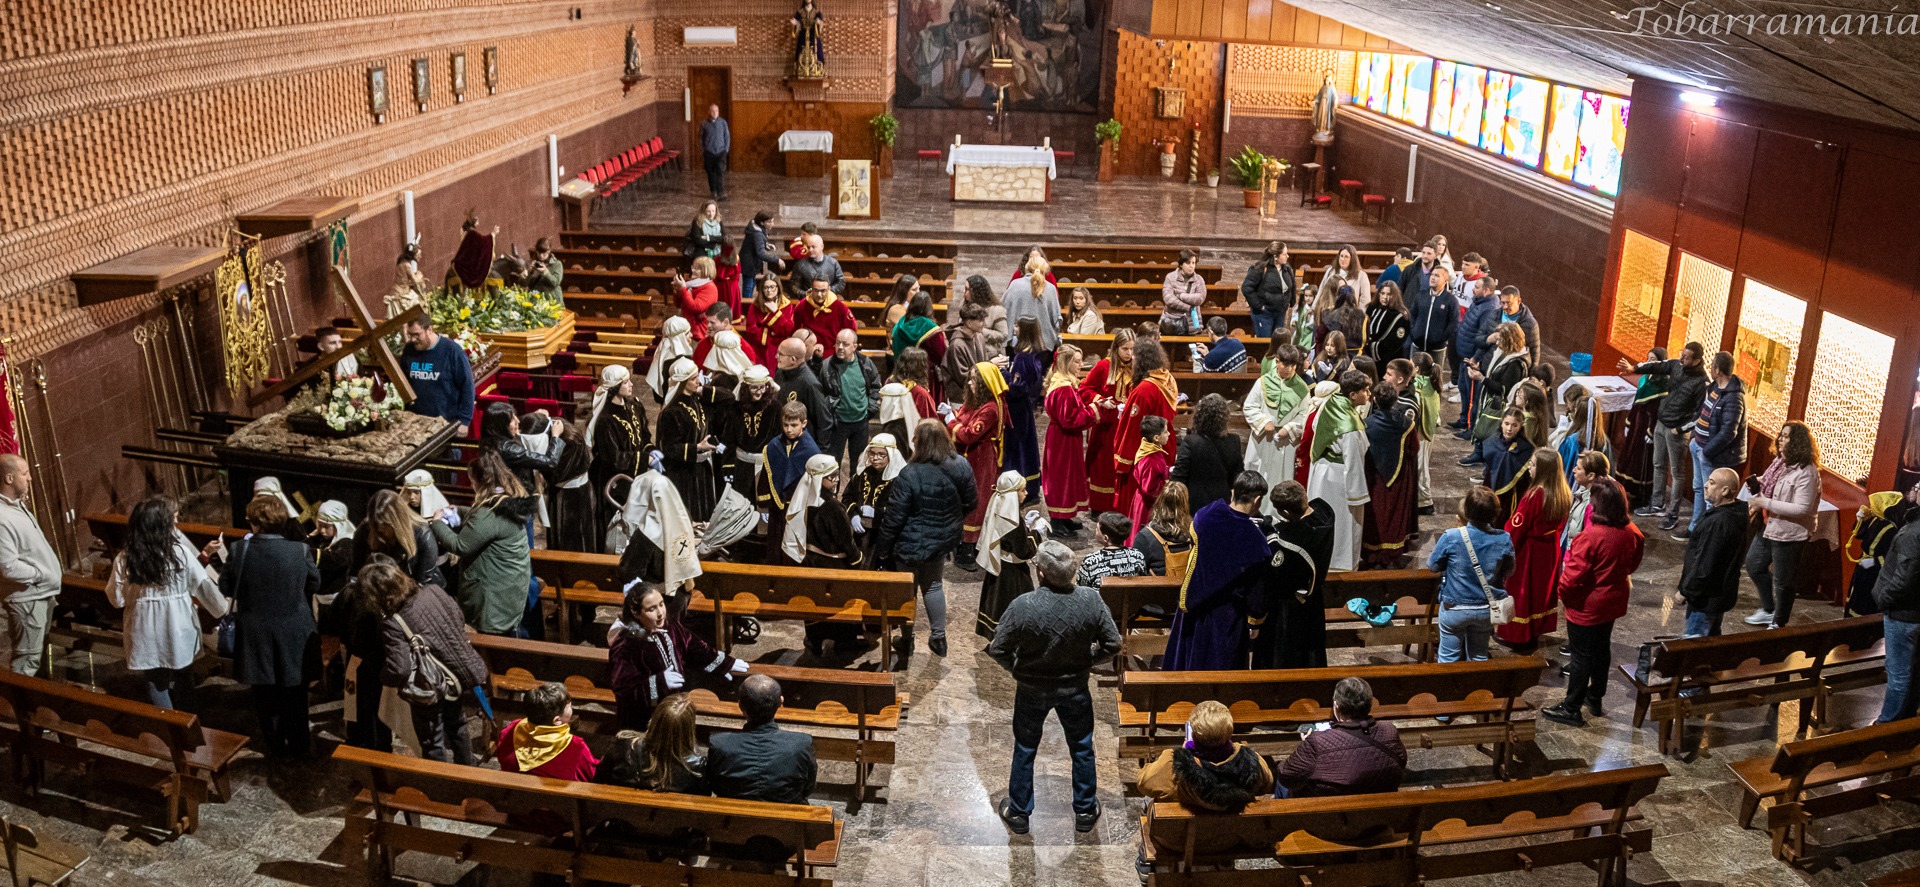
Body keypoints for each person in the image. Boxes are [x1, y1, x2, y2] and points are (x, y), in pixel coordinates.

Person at [988, 540, 1122, 834]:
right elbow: (1114, 644)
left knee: (1025, 748)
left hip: (1031, 690)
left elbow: (997, 648)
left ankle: (1020, 813)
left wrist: (1018, 669)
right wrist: (1089, 659)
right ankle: (1085, 811)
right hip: (1075, 689)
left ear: (1042, 574)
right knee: (1083, 748)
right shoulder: (1091, 600)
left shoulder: (1023, 605)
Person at [106, 497, 228, 710]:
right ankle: (189, 726)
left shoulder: (125, 558)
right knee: (184, 678)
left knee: (155, 681)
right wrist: (221, 608)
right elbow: (203, 586)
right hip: (177, 625)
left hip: (143, 628)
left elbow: (116, 599)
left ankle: (169, 728)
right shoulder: (180, 554)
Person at [360, 559, 486, 765]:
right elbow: (458, 618)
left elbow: (400, 668)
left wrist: (383, 677)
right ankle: (468, 770)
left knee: (432, 740)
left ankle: (440, 784)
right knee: (457, 725)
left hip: (430, 686)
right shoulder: (434, 590)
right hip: (457, 674)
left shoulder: (393, 622)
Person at [1542, 479, 1643, 726]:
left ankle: (1571, 707)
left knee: (1580, 656)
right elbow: (1633, 564)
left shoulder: (1590, 536)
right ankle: (1595, 697)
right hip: (1613, 601)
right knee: (1601, 649)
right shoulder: (1632, 531)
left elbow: (1573, 575)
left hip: (1587, 605)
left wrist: (1562, 594)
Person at [874, 420, 975, 658]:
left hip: (908, 544)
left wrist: (882, 550)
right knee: (934, 585)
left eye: (916, 437)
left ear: (923, 443)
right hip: (939, 542)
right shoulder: (961, 465)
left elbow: (894, 518)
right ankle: (938, 638)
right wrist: (950, 521)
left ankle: (906, 641)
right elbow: (971, 502)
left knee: (907, 593)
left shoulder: (909, 473)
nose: (912, 441)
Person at [1166, 471, 1271, 670]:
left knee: (1188, 663)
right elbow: (1256, 591)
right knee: (1220, 668)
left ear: (1234, 492)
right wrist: (1254, 622)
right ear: (1257, 500)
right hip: (1227, 616)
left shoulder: (1205, 514)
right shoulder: (1256, 541)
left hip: (1193, 608)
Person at [610, 582, 749, 729]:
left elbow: (693, 645)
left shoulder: (668, 625)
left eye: (661, 604)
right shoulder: (627, 645)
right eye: (652, 609)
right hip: (644, 719)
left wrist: (724, 663)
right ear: (636, 613)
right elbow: (623, 689)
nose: (660, 613)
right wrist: (659, 683)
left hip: (673, 708)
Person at [432, 452, 537, 636]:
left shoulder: (489, 513)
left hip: (494, 597)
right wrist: (462, 511)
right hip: (510, 585)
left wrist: (437, 523)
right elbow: (486, 522)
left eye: (472, 480)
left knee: (492, 646)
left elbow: (460, 546)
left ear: (481, 482)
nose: (471, 484)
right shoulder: (507, 496)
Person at [1248, 480, 1336, 669]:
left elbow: (1275, 567)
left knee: (1286, 656)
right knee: (1310, 653)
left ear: (1286, 513)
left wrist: (1268, 530)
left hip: (1289, 609)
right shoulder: (1324, 513)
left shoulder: (1293, 543)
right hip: (1313, 602)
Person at [1744, 421, 1823, 628]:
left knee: (1783, 581)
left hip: (1790, 532)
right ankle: (1769, 609)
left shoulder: (1807, 472)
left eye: (1786, 436)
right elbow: (1775, 483)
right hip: (1769, 524)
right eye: (1781, 435)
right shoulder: (1781, 461)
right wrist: (1759, 482)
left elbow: (1802, 508)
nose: (1780, 439)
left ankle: (1779, 622)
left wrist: (1764, 502)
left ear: (1797, 442)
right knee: (1754, 565)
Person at [1423, 487, 1514, 663]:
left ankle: (1448, 689)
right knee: (1479, 656)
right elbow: (1509, 571)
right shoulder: (1504, 539)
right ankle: (1477, 689)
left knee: (1448, 658)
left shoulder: (1451, 536)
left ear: (1467, 512)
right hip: (1485, 608)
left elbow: (1433, 566)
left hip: (1454, 607)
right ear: (1495, 514)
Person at [1274, 677, 1406, 798]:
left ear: (1336, 708)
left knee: (1282, 784)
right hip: (1378, 811)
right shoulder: (1390, 732)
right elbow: (1401, 762)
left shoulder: (1316, 742)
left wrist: (1305, 747)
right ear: (1370, 705)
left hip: (1329, 816)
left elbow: (1286, 774)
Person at [1137, 700, 1274, 816]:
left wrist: (1185, 752)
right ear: (1230, 733)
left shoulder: (1171, 765)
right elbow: (1266, 785)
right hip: (1232, 837)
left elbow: (1143, 783)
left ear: (1193, 735)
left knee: (1149, 798)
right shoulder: (1252, 762)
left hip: (1180, 843)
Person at [1623, 343, 1707, 529]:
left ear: (1697, 361)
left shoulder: (1701, 382)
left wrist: (1682, 429)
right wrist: (1634, 368)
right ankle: (1657, 504)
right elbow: (1658, 365)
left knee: (1677, 474)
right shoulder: (1676, 365)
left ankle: (1672, 514)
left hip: (1677, 429)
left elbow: (1700, 413)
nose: (1682, 358)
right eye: (1682, 354)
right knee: (1658, 465)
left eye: (1686, 357)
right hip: (1662, 422)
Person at [706, 674, 818, 804]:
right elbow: (808, 788)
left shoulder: (719, 743)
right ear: (781, 703)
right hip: (785, 819)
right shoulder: (801, 743)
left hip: (732, 819)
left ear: (740, 706)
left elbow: (715, 785)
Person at [1498, 448, 1570, 648]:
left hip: (1529, 552)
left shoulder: (1534, 495)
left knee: (1522, 591)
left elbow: (1516, 527)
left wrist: (1506, 547)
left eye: (1533, 464)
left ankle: (1519, 637)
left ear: (1543, 470)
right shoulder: (1563, 492)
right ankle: (1534, 631)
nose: (1529, 468)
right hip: (1550, 549)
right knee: (1541, 592)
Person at [1678, 351, 1747, 541]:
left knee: (1712, 497)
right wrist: (1694, 438)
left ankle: (1708, 536)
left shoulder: (1733, 398)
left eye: (1712, 366)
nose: (1710, 369)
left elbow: (1728, 432)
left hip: (1713, 455)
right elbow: (1703, 414)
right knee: (1699, 489)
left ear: (1717, 369)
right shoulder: (1715, 387)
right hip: (1698, 446)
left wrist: (1707, 452)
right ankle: (1695, 529)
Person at [0, 455, 59, 676]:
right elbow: (8, 567)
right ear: (9, 477)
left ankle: (35, 704)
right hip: (28, 601)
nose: (30, 478)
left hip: (39, 595)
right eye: (24, 474)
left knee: (35, 657)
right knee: (26, 664)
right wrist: (41, 574)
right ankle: (17, 709)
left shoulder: (15, 506)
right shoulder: (1, 517)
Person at [1307, 371, 1371, 572]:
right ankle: (1340, 566)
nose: (1369, 393)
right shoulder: (1349, 426)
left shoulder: (1331, 402)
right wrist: (1357, 495)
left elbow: (1317, 426)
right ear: (1352, 395)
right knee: (1343, 526)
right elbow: (1353, 461)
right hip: (1340, 480)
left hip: (1322, 473)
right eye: (1365, 390)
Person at [947, 361, 1009, 566]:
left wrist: (951, 420)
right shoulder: (975, 401)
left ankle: (967, 549)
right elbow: (962, 417)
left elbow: (968, 435)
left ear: (985, 383)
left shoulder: (990, 408)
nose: (970, 383)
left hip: (980, 459)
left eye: (975, 380)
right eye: (970, 379)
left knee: (976, 500)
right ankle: (958, 541)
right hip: (967, 457)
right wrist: (953, 413)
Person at [1113, 339, 1181, 517]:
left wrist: (1123, 459)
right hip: (1165, 445)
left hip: (1145, 454)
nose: (1132, 360)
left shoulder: (1144, 390)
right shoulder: (1168, 378)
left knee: (1140, 506)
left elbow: (1133, 428)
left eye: (1134, 356)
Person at [1242, 344, 1310, 520]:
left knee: (1280, 479)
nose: (1289, 369)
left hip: (1285, 444)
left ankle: (1277, 517)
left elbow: (1304, 415)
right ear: (1277, 361)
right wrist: (1264, 422)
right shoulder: (1263, 382)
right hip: (1263, 439)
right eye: (1285, 364)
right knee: (1257, 474)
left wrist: (1290, 428)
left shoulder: (1302, 388)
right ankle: (1252, 513)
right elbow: (1249, 407)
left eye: (1293, 365)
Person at [975, 471, 1045, 639]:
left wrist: (1025, 529)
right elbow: (1024, 550)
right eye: (1022, 490)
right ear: (1013, 493)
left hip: (1000, 566)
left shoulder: (998, 505)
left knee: (995, 604)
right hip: (1013, 574)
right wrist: (1036, 533)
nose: (1026, 493)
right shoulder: (1012, 519)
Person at [1677, 467, 1746, 638]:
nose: (1706, 485)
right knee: (1712, 642)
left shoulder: (1719, 522)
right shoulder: (1734, 514)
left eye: (1712, 483)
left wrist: (1685, 591)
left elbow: (1705, 564)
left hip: (1704, 600)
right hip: (1717, 596)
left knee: (1695, 647)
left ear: (1725, 490)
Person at [1871, 490, 1920, 723]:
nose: (1914, 490)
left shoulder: (1913, 533)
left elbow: (1905, 577)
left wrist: (1884, 598)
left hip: (1903, 613)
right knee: (1913, 673)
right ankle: (1906, 721)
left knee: (1899, 675)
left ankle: (1886, 725)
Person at [1042, 344, 1096, 535]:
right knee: (1060, 479)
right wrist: (1094, 411)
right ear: (1065, 363)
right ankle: (1057, 523)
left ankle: (1064, 517)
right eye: (1076, 361)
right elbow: (1070, 419)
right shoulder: (1063, 388)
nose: (1081, 364)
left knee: (1067, 477)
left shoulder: (1065, 382)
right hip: (1062, 440)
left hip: (1065, 439)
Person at [656, 359, 719, 521]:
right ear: (682, 382)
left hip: (702, 471)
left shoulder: (698, 400)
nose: (698, 381)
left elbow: (728, 398)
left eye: (697, 376)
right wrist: (697, 447)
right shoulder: (672, 411)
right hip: (683, 474)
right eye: (693, 379)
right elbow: (669, 448)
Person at [1081, 328, 1136, 514]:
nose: (1129, 353)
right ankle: (1099, 506)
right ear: (1115, 348)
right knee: (1102, 466)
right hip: (1106, 425)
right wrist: (1100, 400)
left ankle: (1120, 504)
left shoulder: (1137, 366)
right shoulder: (1103, 366)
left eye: (1132, 349)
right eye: (1125, 349)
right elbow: (1084, 389)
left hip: (1126, 425)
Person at [498, 682, 600, 780]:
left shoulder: (513, 728)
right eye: (569, 706)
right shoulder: (576, 747)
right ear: (557, 720)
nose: (571, 707)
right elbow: (591, 775)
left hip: (513, 792)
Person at [1461, 322, 1530, 456]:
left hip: (1498, 406)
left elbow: (1504, 389)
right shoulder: (1503, 354)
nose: (1497, 344)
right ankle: (1478, 452)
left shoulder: (1516, 363)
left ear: (1510, 340)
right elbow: (1495, 375)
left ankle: (1483, 456)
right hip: (1489, 399)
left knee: (1489, 430)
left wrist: (1482, 378)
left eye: (1500, 340)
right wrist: (1479, 370)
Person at [401, 316, 475, 436]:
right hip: (414, 424)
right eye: (410, 335)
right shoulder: (409, 350)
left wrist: (465, 421)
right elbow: (403, 382)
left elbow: (467, 386)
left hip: (445, 424)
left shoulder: (452, 351)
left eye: (417, 334)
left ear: (429, 330)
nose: (413, 339)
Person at [1170, 393, 1243, 512]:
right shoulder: (1234, 441)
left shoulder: (1191, 441)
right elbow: (1238, 475)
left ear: (1199, 415)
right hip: (1223, 502)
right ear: (1224, 417)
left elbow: (1179, 476)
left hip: (1194, 505)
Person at [843, 433, 902, 561]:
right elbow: (847, 496)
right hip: (860, 533)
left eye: (881, 454)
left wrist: (878, 512)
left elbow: (900, 509)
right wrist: (853, 515)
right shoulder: (862, 474)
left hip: (883, 536)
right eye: (872, 453)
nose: (875, 458)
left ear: (890, 455)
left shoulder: (899, 480)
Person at [1004, 318, 1048, 491]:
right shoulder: (1034, 354)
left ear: (1024, 330)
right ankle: (1029, 485)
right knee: (1026, 444)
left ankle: (1019, 487)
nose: (1015, 329)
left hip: (1017, 408)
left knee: (1018, 446)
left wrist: (1003, 374)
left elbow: (1016, 387)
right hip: (1026, 406)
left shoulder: (1023, 357)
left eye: (1017, 326)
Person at [1452, 274, 1500, 430]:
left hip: (1473, 359)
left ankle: (1470, 428)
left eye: (1477, 287)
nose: (1473, 289)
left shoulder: (1489, 309)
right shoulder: (1478, 301)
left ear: (1486, 291)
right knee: (1463, 389)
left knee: (1472, 395)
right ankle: (1463, 419)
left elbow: (1484, 336)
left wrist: (1476, 358)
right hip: (1465, 356)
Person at [773, 336, 835, 440]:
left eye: (781, 354)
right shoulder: (780, 373)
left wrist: (818, 452)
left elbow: (824, 422)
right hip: (782, 439)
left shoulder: (810, 383)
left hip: (801, 443)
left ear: (793, 359)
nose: (776, 357)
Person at [1480, 407, 1536, 522]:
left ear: (1521, 426)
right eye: (1507, 424)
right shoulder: (1492, 441)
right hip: (1490, 486)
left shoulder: (1526, 448)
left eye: (1514, 425)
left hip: (1513, 494)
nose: (1509, 429)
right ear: (1502, 423)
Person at [1127, 416, 1174, 542]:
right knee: (1146, 539)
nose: (1169, 434)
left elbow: (1157, 472)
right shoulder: (1150, 459)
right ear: (1156, 438)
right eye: (1165, 432)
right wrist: (1169, 487)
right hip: (1148, 508)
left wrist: (1168, 470)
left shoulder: (1150, 448)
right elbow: (1150, 490)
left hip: (1143, 501)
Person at [1133, 482, 1195, 576]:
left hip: (1158, 590)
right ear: (1185, 505)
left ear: (1159, 501)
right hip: (1188, 589)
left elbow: (1136, 573)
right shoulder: (1194, 533)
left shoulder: (1145, 537)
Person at [1075, 513, 1149, 588]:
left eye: (1097, 529)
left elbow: (1081, 588)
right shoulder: (1137, 556)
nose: (1095, 531)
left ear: (1105, 538)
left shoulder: (1091, 561)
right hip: (1130, 598)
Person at [1241, 242, 1296, 340]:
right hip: (1264, 314)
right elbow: (1247, 288)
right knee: (1265, 343)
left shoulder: (1286, 268)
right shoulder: (1259, 268)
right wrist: (1258, 305)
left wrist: (1291, 301)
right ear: (1275, 256)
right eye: (1284, 254)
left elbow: (1292, 284)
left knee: (1277, 342)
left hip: (1280, 312)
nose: (1287, 256)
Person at [1001, 265, 1062, 351]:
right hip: (1044, 344)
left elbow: (1003, 308)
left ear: (1026, 270)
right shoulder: (1050, 288)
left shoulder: (1015, 284)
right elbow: (1056, 319)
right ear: (1044, 272)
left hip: (1017, 343)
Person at [744, 276, 796, 374]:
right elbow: (751, 330)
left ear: (778, 288)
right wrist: (767, 337)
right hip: (760, 349)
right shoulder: (755, 306)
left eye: (772, 287)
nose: (769, 290)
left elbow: (788, 329)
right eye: (766, 287)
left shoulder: (786, 305)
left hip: (779, 348)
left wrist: (775, 312)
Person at [1406, 265, 1456, 365]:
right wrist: (1414, 333)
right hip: (1417, 346)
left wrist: (1441, 338)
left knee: (1434, 378)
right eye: (1432, 274)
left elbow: (1453, 322)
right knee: (1414, 377)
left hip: (1437, 349)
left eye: (1437, 275)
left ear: (1445, 281)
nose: (1432, 277)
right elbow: (1412, 316)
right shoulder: (1420, 295)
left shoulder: (1450, 300)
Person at [943, 302, 992, 400]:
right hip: (960, 399)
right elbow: (963, 379)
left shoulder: (979, 337)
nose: (984, 324)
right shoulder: (956, 345)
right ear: (969, 323)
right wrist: (991, 364)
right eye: (981, 320)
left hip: (978, 396)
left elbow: (984, 363)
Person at [1314, 245, 1370, 319]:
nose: (1343, 259)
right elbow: (1321, 290)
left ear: (1352, 259)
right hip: (1329, 313)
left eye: (1346, 257)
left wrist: (1358, 316)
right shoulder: (1331, 271)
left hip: (1350, 316)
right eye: (1341, 256)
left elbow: (1365, 299)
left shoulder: (1361, 275)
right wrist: (1314, 308)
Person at [1159, 249, 1208, 334]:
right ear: (1181, 264)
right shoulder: (1170, 277)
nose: (1191, 266)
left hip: (1192, 325)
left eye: (1193, 263)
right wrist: (1188, 307)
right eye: (1188, 263)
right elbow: (1169, 299)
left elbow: (1200, 298)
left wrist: (1181, 296)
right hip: (1172, 324)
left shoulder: (1199, 279)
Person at [673, 256, 722, 339]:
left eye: (697, 269)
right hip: (687, 330)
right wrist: (677, 290)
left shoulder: (709, 287)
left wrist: (684, 289)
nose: (692, 270)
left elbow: (695, 307)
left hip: (699, 334)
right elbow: (678, 304)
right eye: (693, 267)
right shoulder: (691, 285)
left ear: (706, 271)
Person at [1363, 282, 1410, 365]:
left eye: (1389, 294)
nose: (1385, 297)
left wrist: (1375, 350)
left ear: (1395, 296)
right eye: (1383, 293)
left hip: (1389, 359)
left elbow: (1395, 342)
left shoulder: (1401, 316)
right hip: (1368, 356)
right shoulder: (1371, 308)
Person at [791, 234, 848, 300]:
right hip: (808, 301)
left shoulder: (833, 263)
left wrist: (828, 292)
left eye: (813, 247)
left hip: (829, 300)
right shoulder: (800, 265)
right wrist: (804, 293)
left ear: (822, 247)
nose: (810, 250)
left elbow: (841, 282)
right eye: (808, 247)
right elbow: (794, 285)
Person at [742, 211, 785, 286]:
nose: (772, 224)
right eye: (769, 222)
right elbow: (760, 253)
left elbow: (756, 244)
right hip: (749, 265)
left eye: (773, 221)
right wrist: (777, 260)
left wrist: (766, 245)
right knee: (748, 289)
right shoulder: (757, 234)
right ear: (762, 223)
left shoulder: (759, 228)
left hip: (751, 264)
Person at [700, 103, 730, 199]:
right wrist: (702, 150)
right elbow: (700, 137)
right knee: (710, 173)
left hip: (721, 151)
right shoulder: (704, 123)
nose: (715, 113)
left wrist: (726, 149)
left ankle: (720, 193)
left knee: (720, 172)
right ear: (709, 112)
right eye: (713, 111)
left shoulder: (723, 123)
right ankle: (713, 191)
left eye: (716, 111)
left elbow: (727, 136)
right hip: (709, 152)